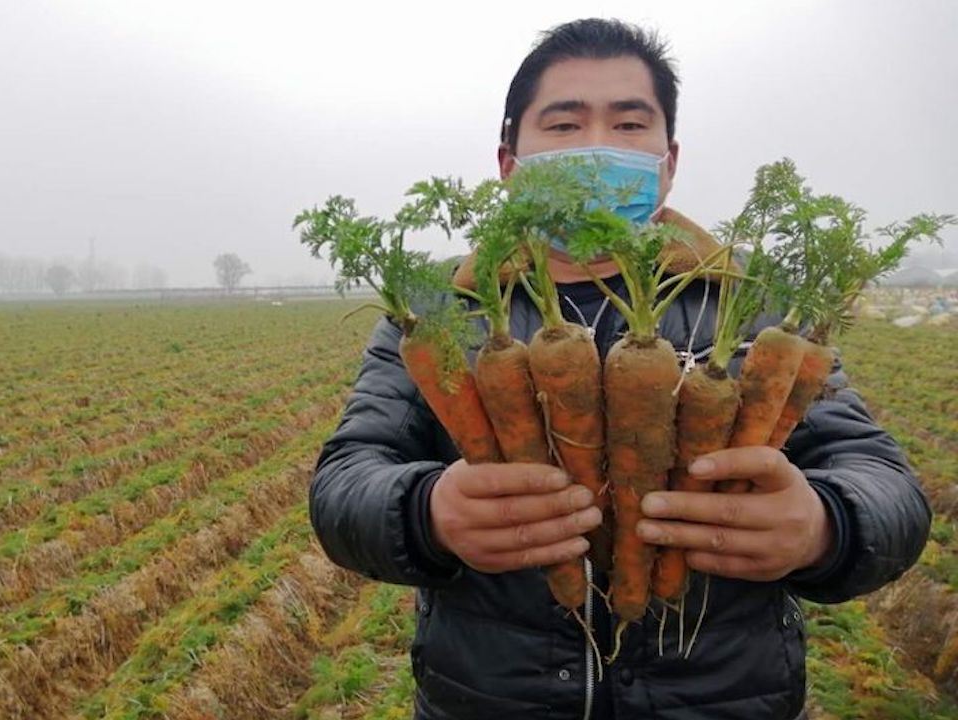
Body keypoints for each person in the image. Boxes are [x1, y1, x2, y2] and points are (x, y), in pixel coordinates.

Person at [308, 17, 930, 720]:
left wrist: (826, 527)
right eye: (565, 126)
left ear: (668, 160)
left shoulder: (759, 310)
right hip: (492, 697)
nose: (598, 150)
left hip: (723, 698)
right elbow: (345, 481)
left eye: (629, 125)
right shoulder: (435, 312)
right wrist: (425, 514)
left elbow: (883, 482)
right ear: (509, 163)